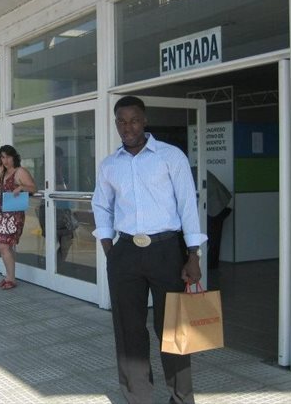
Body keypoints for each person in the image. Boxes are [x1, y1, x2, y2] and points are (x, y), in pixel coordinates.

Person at [92, 96, 207, 404]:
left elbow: (187, 204)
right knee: (128, 329)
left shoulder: (170, 156)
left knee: (173, 328)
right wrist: (109, 247)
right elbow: (101, 205)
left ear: (144, 121)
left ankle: (181, 398)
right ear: (116, 123)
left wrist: (193, 254)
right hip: (125, 252)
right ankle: (138, 397)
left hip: (166, 250)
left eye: (133, 120)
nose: (127, 127)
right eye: (121, 121)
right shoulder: (110, 165)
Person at [0, 145, 37, 290]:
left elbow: (33, 188)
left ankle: (11, 279)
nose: (5, 160)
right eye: (2, 157)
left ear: (14, 157)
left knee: (4, 246)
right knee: (2, 247)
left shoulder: (20, 171)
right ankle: (8, 277)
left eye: (8, 157)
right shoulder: (2, 173)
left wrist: (21, 187)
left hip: (13, 215)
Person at [191, 167, 232, 269]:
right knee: (214, 236)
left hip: (215, 204)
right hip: (219, 200)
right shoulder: (194, 170)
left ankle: (211, 264)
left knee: (212, 236)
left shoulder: (189, 174)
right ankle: (212, 263)